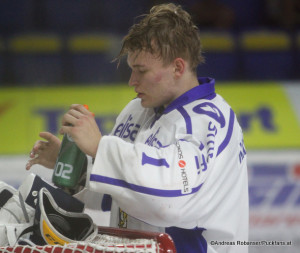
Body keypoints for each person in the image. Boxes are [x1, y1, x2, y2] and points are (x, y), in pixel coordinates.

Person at [25, 3, 248, 252]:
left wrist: (100, 148)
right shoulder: (137, 110)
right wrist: (73, 168)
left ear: (178, 67)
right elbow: (118, 196)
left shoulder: (209, 121)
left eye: (141, 71)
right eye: (132, 69)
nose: (132, 81)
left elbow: (168, 201)